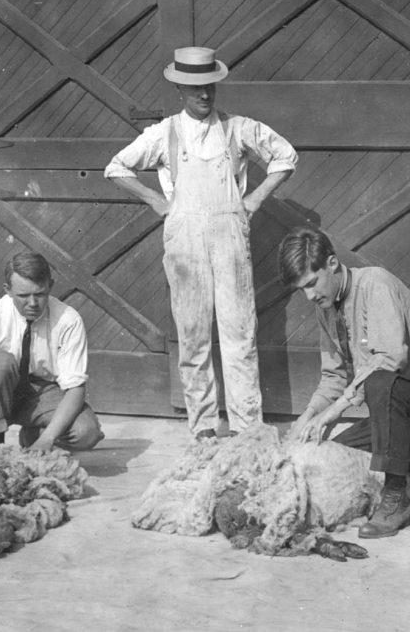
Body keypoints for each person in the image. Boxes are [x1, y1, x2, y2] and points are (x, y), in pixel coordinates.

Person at [106, 47, 297, 439]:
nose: (204, 95)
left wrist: (254, 200)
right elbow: (116, 167)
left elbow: (286, 156)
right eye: (194, 88)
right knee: (193, 337)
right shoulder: (164, 134)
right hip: (185, 241)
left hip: (229, 237)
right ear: (179, 89)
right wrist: (157, 201)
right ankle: (204, 428)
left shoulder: (238, 129)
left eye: (209, 86)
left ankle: (246, 429)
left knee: (239, 335)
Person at [278, 226, 410, 539]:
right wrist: (308, 418)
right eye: (301, 290)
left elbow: (390, 359)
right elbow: (333, 377)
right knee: (338, 452)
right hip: (399, 418)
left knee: (381, 381)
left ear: (332, 263)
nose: (309, 296)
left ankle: (397, 499)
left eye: (312, 283)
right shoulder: (325, 309)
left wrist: (335, 411)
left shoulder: (375, 283)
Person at [0, 251, 104, 455]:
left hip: (41, 392)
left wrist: (47, 439)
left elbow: (75, 388)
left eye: (39, 294)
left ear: (50, 286)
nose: (32, 303)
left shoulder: (68, 320)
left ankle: (33, 437)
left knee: (87, 433)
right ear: (8, 290)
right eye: (23, 296)